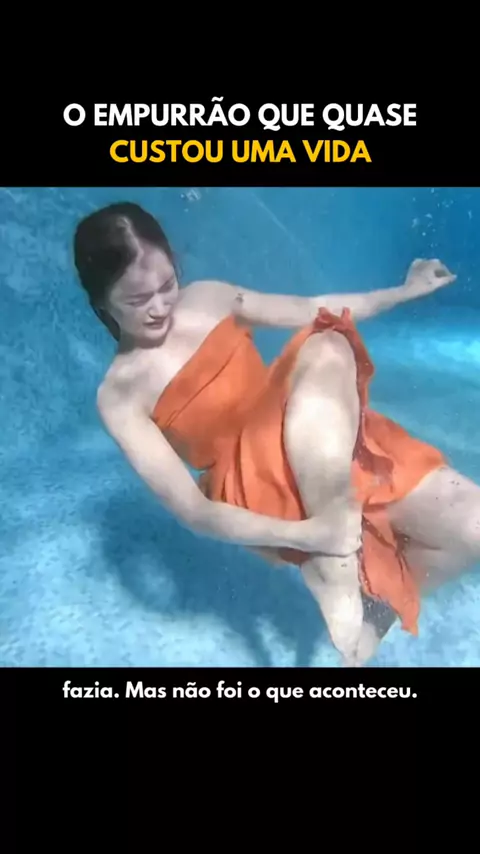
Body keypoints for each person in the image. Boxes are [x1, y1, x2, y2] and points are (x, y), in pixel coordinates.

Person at [72, 201, 480, 666]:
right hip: (257, 484)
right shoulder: (120, 396)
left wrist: (405, 291)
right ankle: (335, 553)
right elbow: (194, 511)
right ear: (102, 303)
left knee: (473, 528)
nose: (161, 306)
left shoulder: (209, 297)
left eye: (167, 285)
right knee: (324, 349)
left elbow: (314, 307)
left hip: (321, 427)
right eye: (138, 300)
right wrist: (307, 536)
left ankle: (374, 605)